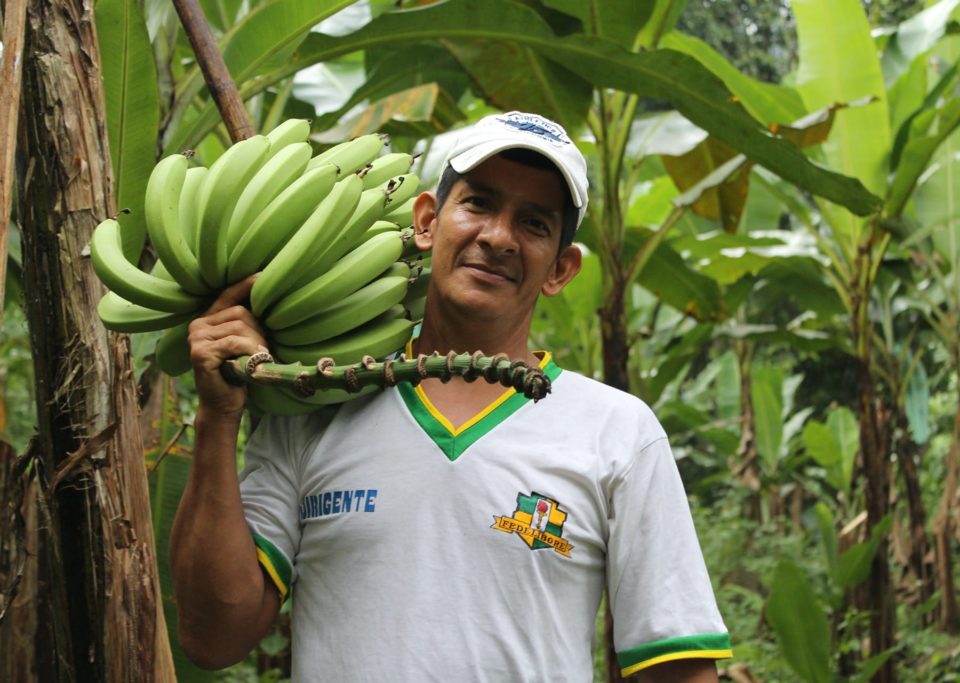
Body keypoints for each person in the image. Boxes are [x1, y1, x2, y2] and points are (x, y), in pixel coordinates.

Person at [170, 111, 731, 681]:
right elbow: (213, 639)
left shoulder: (617, 432)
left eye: (534, 223)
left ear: (561, 269)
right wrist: (217, 418)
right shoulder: (318, 399)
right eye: (478, 204)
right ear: (427, 222)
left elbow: (678, 669)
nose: (497, 237)